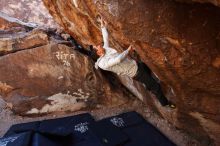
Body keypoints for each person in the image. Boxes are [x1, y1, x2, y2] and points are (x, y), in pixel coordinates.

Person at [94, 18, 175, 109]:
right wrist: (128, 50)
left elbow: (105, 37)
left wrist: (102, 24)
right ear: (98, 53)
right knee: (156, 86)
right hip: (136, 72)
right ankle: (166, 104)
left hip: (136, 65)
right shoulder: (103, 63)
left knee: (145, 66)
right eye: (97, 47)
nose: (99, 45)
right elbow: (117, 60)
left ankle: (148, 86)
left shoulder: (105, 50)